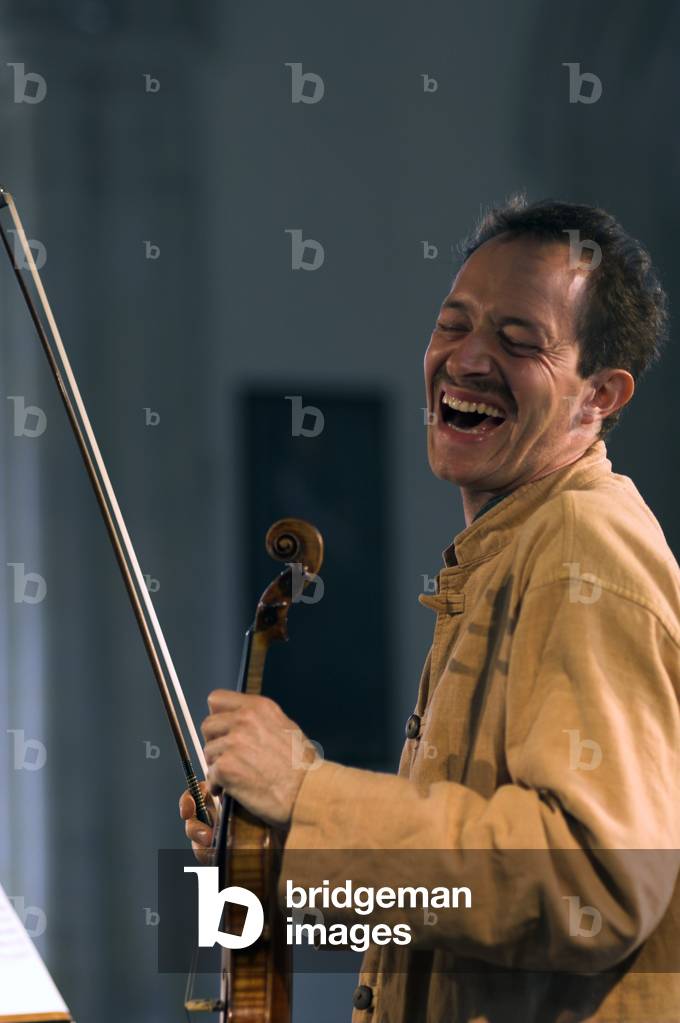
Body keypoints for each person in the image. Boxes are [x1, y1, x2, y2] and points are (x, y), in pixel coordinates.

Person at [180, 197, 680, 1022]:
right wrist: (264, 842)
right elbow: (458, 906)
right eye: (455, 325)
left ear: (599, 396)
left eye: (519, 341)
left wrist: (309, 793)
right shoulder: (514, 545)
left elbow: (597, 879)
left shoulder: (583, 545)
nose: (469, 359)